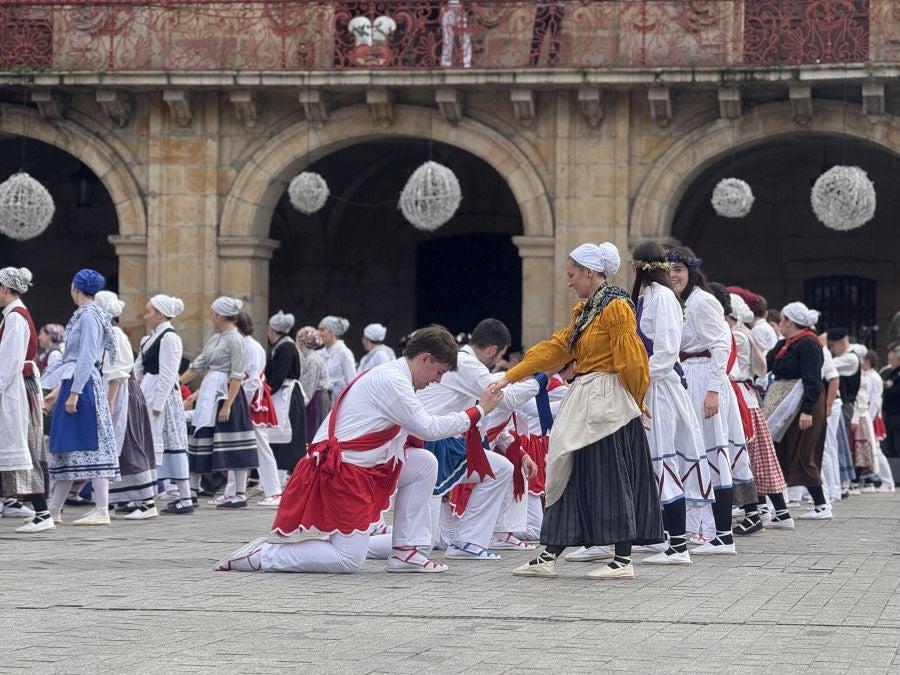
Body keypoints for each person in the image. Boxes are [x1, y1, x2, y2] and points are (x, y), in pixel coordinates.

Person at [214, 325, 504, 575]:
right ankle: (261, 555)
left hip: (365, 466)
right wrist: (479, 410)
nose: (437, 381)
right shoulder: (393, 380)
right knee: (347, 559)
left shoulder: (395, 375)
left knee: (425, 463)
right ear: (425, 358)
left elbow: (423, 427)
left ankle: (406, 551)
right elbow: (427, 428)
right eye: (439, 372)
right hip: (343, 471)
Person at [503, 242, 664, 580]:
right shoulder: (585, 310)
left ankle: (622, 560)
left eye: (572, 274)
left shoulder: (616, 307)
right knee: (568, 468)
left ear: (590, 272)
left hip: (609, 401)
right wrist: (510, 375)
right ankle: (549, 553)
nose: (569, 281)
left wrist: (637, 400)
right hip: (587, 395)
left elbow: (632, 358)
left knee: (610, 476)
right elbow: (558, 348)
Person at [621, 242, 712, 564]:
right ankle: (658, 536)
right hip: (647, 388)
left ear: (637, 268)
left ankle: (678, 546)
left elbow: (667, 352)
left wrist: (638, 379)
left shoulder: (663, 300)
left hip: (659, 388)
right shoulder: (646, 298)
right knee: (651, 461)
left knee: (664, 460)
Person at [666, 248, 739, 555]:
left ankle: (723, 534)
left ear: (691, 272)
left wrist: (713, 390)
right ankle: (706, 530)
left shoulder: (702, 301)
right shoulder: (681, 302)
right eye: (668, 271)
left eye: (679, 270)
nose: (673, 276)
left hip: (703, 376)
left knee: (713, 451)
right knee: (695, 453)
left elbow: (721, 344)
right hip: (688, 376)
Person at [41, 269, 119, 526]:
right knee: (66, 447)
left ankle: (102, 509)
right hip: (76, 381)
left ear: (76, 288)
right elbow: (69, 359)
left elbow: (85, 356)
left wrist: (74, 392)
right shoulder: (88, 314)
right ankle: (54, 509)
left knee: (91, 444)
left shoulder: (88, 316)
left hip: (82, 384)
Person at [181, 297, 258, 509]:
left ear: (223, 316)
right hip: (210, 391)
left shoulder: (235, 340)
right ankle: (192, 492)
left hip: (227, 393)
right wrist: (178, 383)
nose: (212, 317)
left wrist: (228, 405)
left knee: (233, 441)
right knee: (200, 436)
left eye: (214, 313)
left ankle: (240, 494)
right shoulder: (215, 338)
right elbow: (198, 365)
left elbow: (237, 375)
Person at [763, 302, 830, 519]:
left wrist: (808, 411)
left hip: (804, 403)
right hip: (788, 404)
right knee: (781, 449)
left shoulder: (808, 343)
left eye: (782, 320)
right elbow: (768, 364)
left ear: (790, 322)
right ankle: (772, 504)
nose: (780, 324)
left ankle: (821, 504)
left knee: (803, 451)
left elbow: (813, 379)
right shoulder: (787, 344)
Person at [95, 291, 158, 519]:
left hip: (124, 394)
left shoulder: (115, 334)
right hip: (117, 392)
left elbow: (117, 372)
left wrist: (109, 403)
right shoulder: (107, 333)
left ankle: (148, 501)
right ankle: (122, 498)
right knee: (120, 446)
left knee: (131, 443)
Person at [0, 267, 51, 532]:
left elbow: (9, 361)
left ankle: (42, 513)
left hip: (15, 388)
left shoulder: (16, 318)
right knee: (16, 447)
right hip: (16, 386)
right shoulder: (12, 315)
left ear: (5, 289)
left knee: (22, 448)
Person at [133, 294, 192, 515]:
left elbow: (169, 373)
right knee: (150, 442)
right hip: (150, 389)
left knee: (172, 442)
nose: (146, 315)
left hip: (164, 395)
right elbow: (139, 367)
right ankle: (143, 494)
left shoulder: (169, 337)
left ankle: (185, 497)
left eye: (149, 311)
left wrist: (158, 402)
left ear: (160, 314)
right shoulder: (151, 337)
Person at [266, 311, 307, 493]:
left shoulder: (286, 348)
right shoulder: (282, 346)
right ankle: (280, 477)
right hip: (282, 393)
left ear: (273, 331)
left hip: (287, 395)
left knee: (286, 435)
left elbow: (279, 376)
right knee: (280, 435)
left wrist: (265, 392)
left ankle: (285, 478)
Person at [296, 325, 332, 442]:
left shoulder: (312, 360)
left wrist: (300, 406)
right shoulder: (310, 358)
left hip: (316, 399)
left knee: (313, 431)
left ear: (302, 342)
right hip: (315, 397)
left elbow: (309, 386)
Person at [319, 315, 355, 397]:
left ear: (333, 332)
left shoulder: (344, 353)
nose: (319, 333)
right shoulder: (320, 353)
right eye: (319, 329)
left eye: (322, 330)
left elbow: (352, 381)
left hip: (337, 399)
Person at [882, 346, 900, 459]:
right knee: (889, 445)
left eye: (892, 359)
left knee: (898, 442)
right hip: (889, 413)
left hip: (897, 413)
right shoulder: (891, 373)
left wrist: (887, 388)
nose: (890, 362)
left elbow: (894, 392)